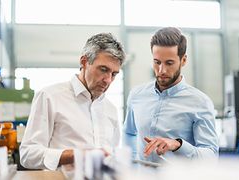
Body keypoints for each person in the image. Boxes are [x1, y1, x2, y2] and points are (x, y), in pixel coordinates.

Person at [20, 33, 126, 170]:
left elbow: (111, 158)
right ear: (84, 62)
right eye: (103, 69)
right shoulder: (50, 97)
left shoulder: (110, 109)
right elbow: (28, 154)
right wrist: (76, 155)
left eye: (114, 74)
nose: (108, 80)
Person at [123, 27, 218, 163]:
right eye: (157, 62)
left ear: (183, 60)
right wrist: (131, 166)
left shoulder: (200, 102)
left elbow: (211, 156)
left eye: (169, 63)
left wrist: (178, 145)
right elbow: (129, 133)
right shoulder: (136, 95)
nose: (162, 70)